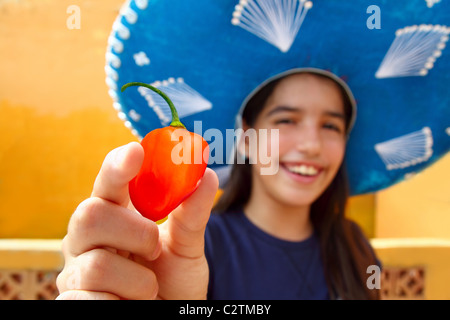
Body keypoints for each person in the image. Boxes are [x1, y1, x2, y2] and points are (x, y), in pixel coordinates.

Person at [56, 68, 380, 300]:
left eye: (331, 126)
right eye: (286, 120)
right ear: (246, 136)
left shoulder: (354, 246)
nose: (312, 145)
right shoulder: (189, 248)